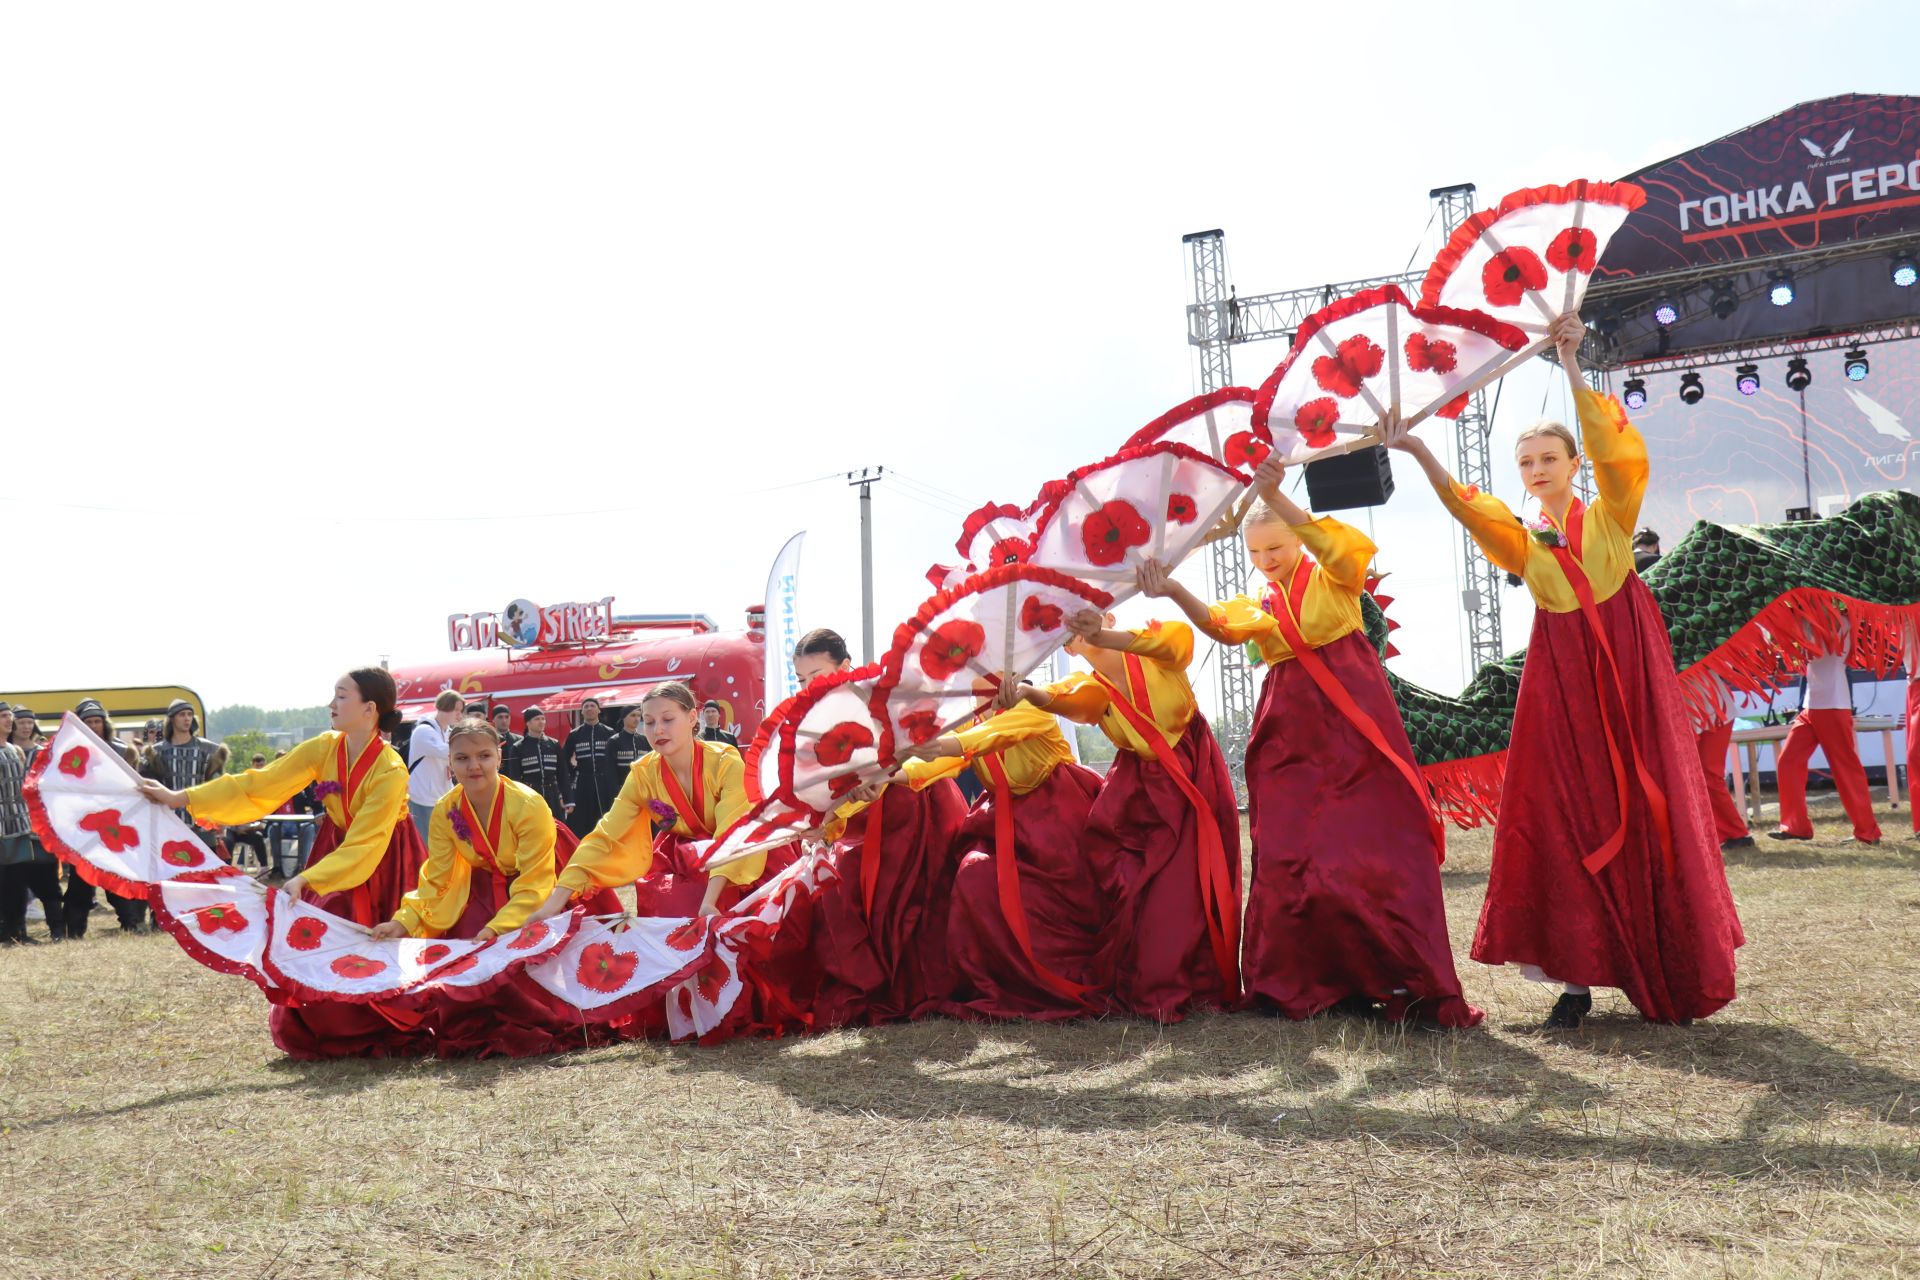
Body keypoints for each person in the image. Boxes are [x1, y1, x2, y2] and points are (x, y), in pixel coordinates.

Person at [1383, 311, 1744, 1028]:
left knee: (1644, 808)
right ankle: (1574, 981)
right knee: (1563, 815)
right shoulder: (1528, 544)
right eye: (1526, 463)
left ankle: (1662, 961)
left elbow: (1618, 453)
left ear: (1572, 466)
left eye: (1549, 458)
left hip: (1627, 679)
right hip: (1563, 688)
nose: (1537, 470)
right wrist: (1419, 450)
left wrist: (1573, 364)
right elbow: (1467, 508)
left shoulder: (1610, 516)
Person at [1144, 464, 1481, 1028]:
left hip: (1353, 720)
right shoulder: (1261, 601)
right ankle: (1304, 983)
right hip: (1288, 733)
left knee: (1374, 851)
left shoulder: (1334, 579)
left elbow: (1346, 553)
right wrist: (1175, 589)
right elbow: (1222, 626)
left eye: (1275, 546)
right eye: (1255, 553)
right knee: (1290, 853)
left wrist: (1275, 492)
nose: (1265, 560)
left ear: (1299, 537)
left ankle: (1402, 981)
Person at [136, 668, 430, 1058]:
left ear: (369, 708)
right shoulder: (325, 747)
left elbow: (367, 842)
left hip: (385, 857)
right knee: (321, 936)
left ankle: (380, 1022)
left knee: (373, 935)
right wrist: (182, 798)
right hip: (336, 849)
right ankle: (333, 1023)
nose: (331, 704)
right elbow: (262, 783)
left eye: (341, 696)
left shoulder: (389, 768)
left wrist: (308, 878)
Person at [1013, 606, 1242, 1022]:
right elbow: (1064, 699)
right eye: (1068, 636)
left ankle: (1190, 984)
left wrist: (1104, 635)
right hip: (1138, 792)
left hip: (1191, 774)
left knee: (1185, 888)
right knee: (1136, 889)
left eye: (1084, 626)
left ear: (1111, 617)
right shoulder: (1091, 686)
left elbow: (1176, 641)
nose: (1078, 638)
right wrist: (1027, 693)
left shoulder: (1153, 648)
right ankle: (1151, 980)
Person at [369, 718, 615, 1056]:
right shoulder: (447, 809)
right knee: (470, 954)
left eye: (483, 756)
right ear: (450, 761)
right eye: (462, 758)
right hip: (487, 881)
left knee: (545, 962)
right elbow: (437, 878)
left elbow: (535, 882)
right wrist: (404, 921)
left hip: (548, 876)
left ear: (499, 756)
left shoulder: (528, 805)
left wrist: (497, 929)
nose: (474, 766)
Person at [790, 627, 967, 1027]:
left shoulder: (886, 695)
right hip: (864, 818)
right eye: (800, 680)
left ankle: (925, 984)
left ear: (845, 667)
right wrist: (829, 819)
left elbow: (939, 745)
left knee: (920, 896)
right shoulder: (811, 723)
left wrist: (891, 775)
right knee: (851, 894)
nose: (808, 687)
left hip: (919, 805)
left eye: (816, 676)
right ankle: (876, 983)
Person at [899, 682, 1108, 1021]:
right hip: (1003, 820)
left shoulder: (1032, 708)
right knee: (974, 877)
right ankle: (1008, 982)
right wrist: (887, 778)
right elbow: (939, 764)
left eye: (991, 677)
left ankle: (1062, 979)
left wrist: (942, 745)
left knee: (1063, 898)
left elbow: (988, 738)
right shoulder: (971, 721)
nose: (982, 688)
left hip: (1059, 816)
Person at [525, 681, 758, 924]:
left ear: (691, 718)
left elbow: (734, 827)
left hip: (740, 858)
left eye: (667, 719)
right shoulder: (643, 774)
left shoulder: (725, 762)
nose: (657, 730)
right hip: (683, 859)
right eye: (649, 721)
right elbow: (607, 836)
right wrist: (553, 904)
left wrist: (709, 902)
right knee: (665, 906)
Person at [1768, 618, 1881, 845]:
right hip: (1812, 705)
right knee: (1788, 761)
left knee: (1845, 769)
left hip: (1833, 705)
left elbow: (1817, 651)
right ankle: (1795, 826)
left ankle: (1867, 832)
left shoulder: (1841, 621)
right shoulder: (1808, 621)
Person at [74, 699, 151, 931]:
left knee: (118, 875)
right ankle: (72, 930)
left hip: (116, 822)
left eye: (98, 721)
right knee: (80, 882)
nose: (94, 725)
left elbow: (134, 786)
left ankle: (131, 923)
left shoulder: (124, 751)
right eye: (89, 721)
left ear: (104, 724)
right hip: (83, 824)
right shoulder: (68, 751)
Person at [0, 704, 64, 944]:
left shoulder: (15, 750)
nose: (10, 720)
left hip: (17, 826)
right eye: (4, 716)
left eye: (10, 716)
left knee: (15, 883)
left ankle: (17, 932)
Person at [1690, 675, 1753, 850]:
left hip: (1717, 711)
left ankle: (1735, 833)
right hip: (1704, 709)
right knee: (1701, 776)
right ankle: (1721, 833)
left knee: (1709, 774)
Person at [406, 691, 464, 840]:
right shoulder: (423, 731)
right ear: (445, 707)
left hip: (441, 796)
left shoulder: (448, 732)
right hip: (423, 797)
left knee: (443, 843)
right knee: (427, 845)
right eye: (456, 710)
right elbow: (445, 752)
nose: (459, 714)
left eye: (461, 711)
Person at [561, 697, 620, 837]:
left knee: (606, 815)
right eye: (586, 706)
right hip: (583, 782)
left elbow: (615, 760)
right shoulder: (575, 734)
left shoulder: (609, 733)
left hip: (604, 782)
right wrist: (574, 772)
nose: (589, 709)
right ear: (581, 712)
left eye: (592, 706)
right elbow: (564, 759)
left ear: (599, 710)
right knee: (582, 818)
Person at [224, 752, 276, 874]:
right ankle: (226, 869)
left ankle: (264, 869)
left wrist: (253, 825)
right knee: (227, 840)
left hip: (251, 826)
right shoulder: (239, 790)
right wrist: (237, 827)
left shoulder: (266, 787)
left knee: (257, 837)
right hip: (234, 827)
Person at [511, 708, 567, 817]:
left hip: (553, 794)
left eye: (543, 719)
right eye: (537, 719)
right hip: (531, 793)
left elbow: (563, 773)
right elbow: (515, 777)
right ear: (528, 723)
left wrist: (567, 798)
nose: (541, 722)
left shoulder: (554, 744)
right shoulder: (518, 747)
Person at [610, 706, 650, 771]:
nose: (636, 719)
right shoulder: (614, 741)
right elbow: (610, 768)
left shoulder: (644, 740)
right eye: (633, 715)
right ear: (624, 718)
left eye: (639, 715)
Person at [491, 706, 522, 781]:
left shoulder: (519, 740)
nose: (504, 720)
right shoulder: (489, 740)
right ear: (493, 720)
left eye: (506, 717)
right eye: (500, 717)